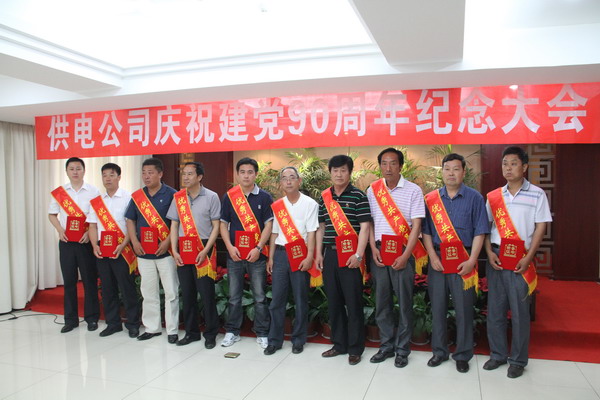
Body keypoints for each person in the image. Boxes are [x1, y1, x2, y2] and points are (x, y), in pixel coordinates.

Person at [483, 146, 552, 379]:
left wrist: (529, 257)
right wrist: (488, 252)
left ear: (524, 167)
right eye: (505, 163)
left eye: (513, 163)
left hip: (522, 258)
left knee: (520, 312)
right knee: (495, 310)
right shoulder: (494, 196)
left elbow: (541, 226)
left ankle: (518, 360)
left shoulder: (537, 194)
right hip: (496, 256)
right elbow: (486, 227)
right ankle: (498, 355)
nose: (508, 168)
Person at [422, 153, 489, 373]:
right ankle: (439, 351)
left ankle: (462, 354)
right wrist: (432, 257)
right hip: (438, 260)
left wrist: (472, 260)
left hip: (464, 259)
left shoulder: (475, 198)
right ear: (442, 172)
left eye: (456, 169)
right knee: (438, 307)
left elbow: (480, 231)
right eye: (447, 169)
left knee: (464, 309)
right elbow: (426, 232)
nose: (451, 173)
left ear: (464, 172)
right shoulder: (431, 199)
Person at [366, 148, 426, 368]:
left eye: (393, 163)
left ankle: (402, 349)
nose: (388, 167)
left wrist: (406, 254)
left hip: (403, 251)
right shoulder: (373, 190)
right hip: (380, 251)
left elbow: (416, 225)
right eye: (384, 163)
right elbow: (370, 223)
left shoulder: (413, 190)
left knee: (404, 303)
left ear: (401, 166)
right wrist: (372, 249)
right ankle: (386, 346)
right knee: (382, 302)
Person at [316, 155, 371, 365]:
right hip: (330, 255)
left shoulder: (358, 196)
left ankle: (355, 348)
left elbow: (365, 227)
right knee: (334, 302)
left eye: (343, 170)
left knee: (353, 302)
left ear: (350, 172)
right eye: (335, 170)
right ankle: (339, 344)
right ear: (330, 172)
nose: (339, 174)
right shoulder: (324, 197)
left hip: (350, 256)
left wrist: (358, 255)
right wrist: (319, 253)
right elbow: (321, 227)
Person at [264, 166, 319, 355]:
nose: (288, 181)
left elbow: (312, 232)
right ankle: (274, 341)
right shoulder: (278, 205)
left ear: (299, 181)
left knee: (300, 299)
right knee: (277, 300)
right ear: (281, 183)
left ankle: (298, 340)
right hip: (280, 254)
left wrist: (309, 256)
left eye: (292, 177)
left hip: (300, 255)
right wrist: (271, 257)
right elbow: (274, 233)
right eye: (284, 178)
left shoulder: (310, 204)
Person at [219, 157, 273, 348]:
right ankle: (232, 331)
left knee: (259, 296)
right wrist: (229, 247)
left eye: (250, 172)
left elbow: (268, 225)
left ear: (256, 174)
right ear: (237, 174)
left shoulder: (264, 197)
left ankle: (262, 332)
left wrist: (258, 248)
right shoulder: (229, 196)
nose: (246, 176)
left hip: (256, 254)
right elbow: (223, 224)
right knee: (234, 296)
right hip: (234, 254)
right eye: (242, 172)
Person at [125, 157, 179, 344]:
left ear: (160, 174)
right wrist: (134, 241)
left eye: (150, 173)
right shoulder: (137, 196)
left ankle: (172, 330)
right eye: (144, 173)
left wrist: (167, 242)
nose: (146, 176)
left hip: (166, 253)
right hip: (143, 252)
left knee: (171, 292)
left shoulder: (172, 194)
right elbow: (130, 219)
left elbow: (177, 222)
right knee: (148, 292)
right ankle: (152, 328)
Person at [168, 162, 221, 349]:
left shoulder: (212, 197)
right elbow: (174, 225)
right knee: (188, 293)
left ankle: (211, 334)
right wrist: (174, 250)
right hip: (183, 248)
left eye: (190, 174)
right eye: (184, 174)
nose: (185, 177)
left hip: (204, 248)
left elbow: (216, 226)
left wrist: (206, 250)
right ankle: (191, 333)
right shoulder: (178, 198)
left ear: (199, 177)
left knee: (206, 294)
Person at [87, 163, 140, 338]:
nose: (108, 178)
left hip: (123, 248)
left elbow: (131, 225)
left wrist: (123, 245)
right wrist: (94, 245)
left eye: (111, 175)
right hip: (102, 248)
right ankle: (113, 323)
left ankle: (133, 324)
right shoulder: (97, 201)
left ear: (119, 177)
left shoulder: (128, 198)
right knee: (107, 287)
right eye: (104, 175)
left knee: (127, 288)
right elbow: (92, 226)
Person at [48, 157, 100, 333]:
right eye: (72, 169)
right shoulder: (60, 192)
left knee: (89, 281)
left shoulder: (93, 191)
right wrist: (59, 229)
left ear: (84, 170)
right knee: (69, 281)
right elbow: (52, 214)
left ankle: (92, 318)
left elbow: (97, 216)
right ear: (67, 171)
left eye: (78, 168)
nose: (75, 172)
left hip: (85, 242)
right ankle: (70, 320)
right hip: (66, 242)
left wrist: (88, 234)